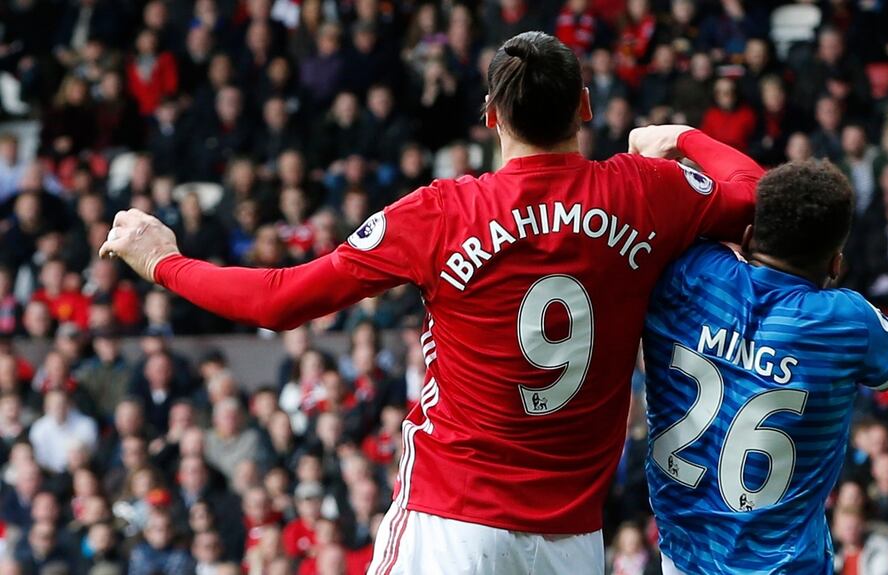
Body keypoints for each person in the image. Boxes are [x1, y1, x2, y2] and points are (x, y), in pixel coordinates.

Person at [98, 31, 762, 574]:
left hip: (451, 521)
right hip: (572, 541)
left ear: (491, 116)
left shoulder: (443, 211)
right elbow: (765, 200)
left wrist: (164, 261)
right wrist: (683, 137)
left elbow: (281, 300)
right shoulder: (646, 191)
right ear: (585, 106)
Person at [643, 160, 888, 573]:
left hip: (682, 553)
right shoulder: (847, 322)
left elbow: (740, 187)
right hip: (785, 564)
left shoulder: (690, 272)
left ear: (747, 236)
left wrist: (683, 138)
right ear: (836, 266)